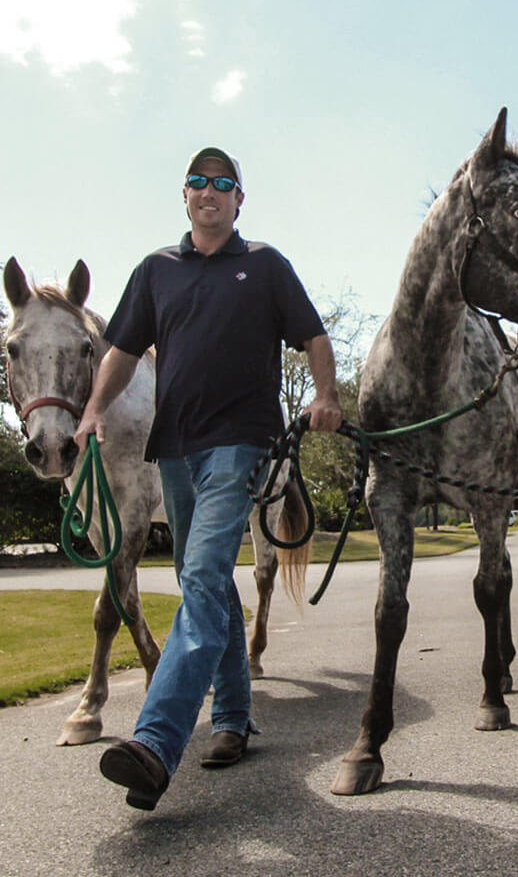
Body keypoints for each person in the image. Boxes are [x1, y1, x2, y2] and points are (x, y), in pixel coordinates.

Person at [74, 147, 343, 811]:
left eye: (224, 183)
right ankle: (232, 719)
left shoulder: (265, 265)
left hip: (239, 442)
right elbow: (123, 350)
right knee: (212, 581)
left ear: (238, 200)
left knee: (197, 576)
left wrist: (326, 394)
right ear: (185, 196)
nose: (210, 191)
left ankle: (156, 742)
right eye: (198, 181)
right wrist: (91, 410)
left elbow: (312, 335)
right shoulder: (156, 270)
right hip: (175, 449)